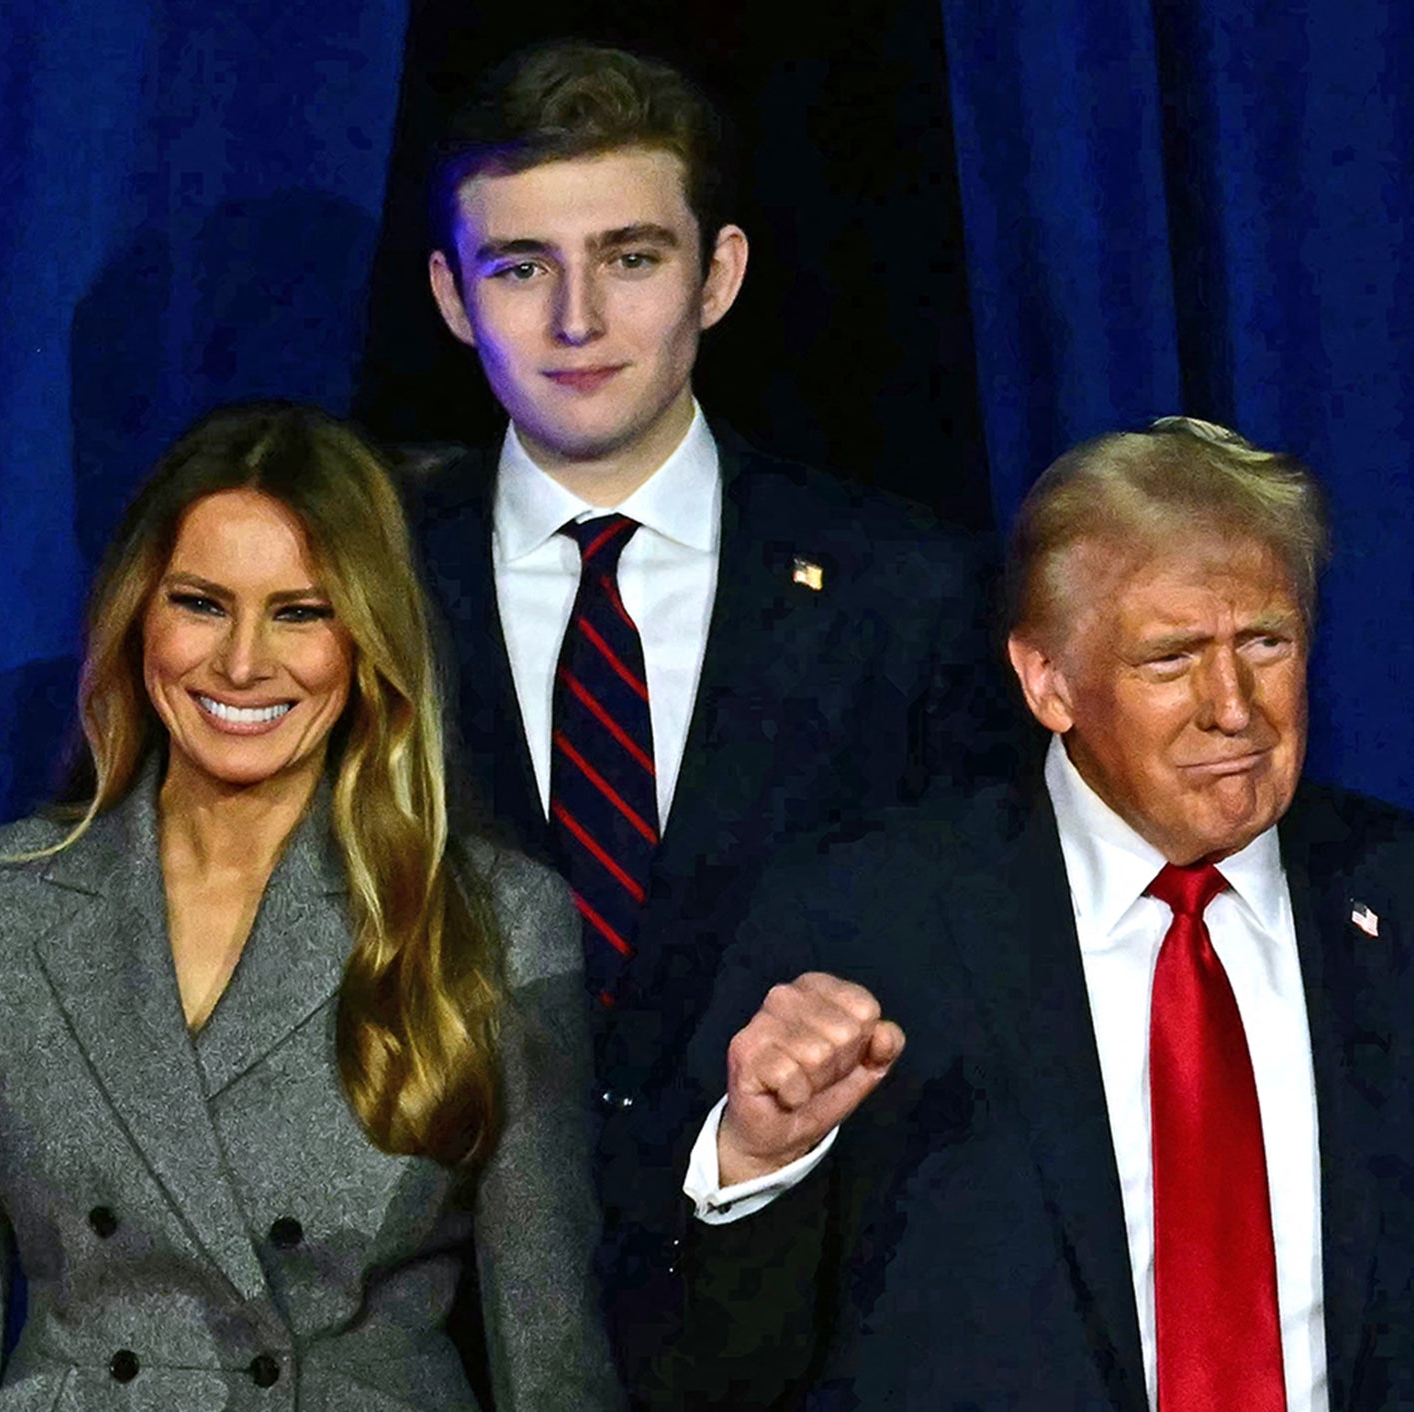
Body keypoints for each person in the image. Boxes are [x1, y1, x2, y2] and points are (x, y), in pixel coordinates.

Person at [657, 417, 1414, 1409]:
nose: (1233, 707)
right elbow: (707, 1371)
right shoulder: (868, 922)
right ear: (1046, 680)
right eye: (1171, 657)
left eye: (1265, 640)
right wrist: (758, 1165)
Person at [409, 41, 1021, 1379]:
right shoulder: (355, 581)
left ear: (719, 274)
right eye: (522, 267)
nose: (579, 320)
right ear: (456, 297)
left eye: (631, 258)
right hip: (423, 1351)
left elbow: (974, 995)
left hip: (800, 1341)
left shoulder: (903, 594)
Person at [0, 404, 622, 1410]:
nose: (242, 664)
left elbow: (549, 1345)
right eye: (202, 603)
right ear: (139, 613)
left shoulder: (491, 917)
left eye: (298, 611)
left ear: (365, 638)